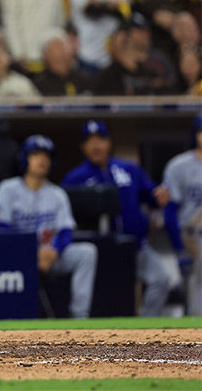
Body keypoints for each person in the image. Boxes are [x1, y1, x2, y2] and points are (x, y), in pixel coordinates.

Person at [61, 120, 183, 317]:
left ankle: (145, 327)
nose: (96, 145)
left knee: (161, 278)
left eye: (100, 139)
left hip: (135, 245)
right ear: (83, 147)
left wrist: (160, 195)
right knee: (110, 296)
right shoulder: (74, 178)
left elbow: (150, 195)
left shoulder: (128, 169)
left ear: (109, 142)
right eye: (89, 141)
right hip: (101, 249)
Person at [0, 136, 98, 319]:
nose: (42, 159)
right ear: (24, 159)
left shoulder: (57, 194)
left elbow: (66, 231)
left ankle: (80, 316)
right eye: (35, 154)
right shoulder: (7, 189)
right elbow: (3, 229)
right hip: (18, 255)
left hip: (49, 256)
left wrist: (54, 251)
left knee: (87, 253)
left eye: (46, 155)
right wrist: (32, 252)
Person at [161, 116, 202, 316]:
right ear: (196, 135)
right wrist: (179, 248)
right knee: (195, 302)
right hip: (193, 238)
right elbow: (169, 210)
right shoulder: (179, 166)